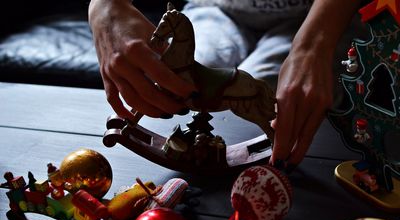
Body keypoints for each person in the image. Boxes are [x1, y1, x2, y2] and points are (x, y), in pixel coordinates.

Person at [88, 0, 366, 171]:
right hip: (219, 8)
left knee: (261, 94)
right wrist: (104, 6)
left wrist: (315, 44)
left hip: (319, 17)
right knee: (166, 75)